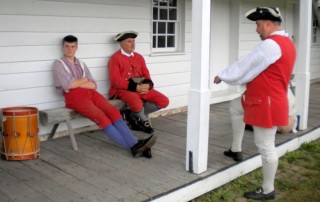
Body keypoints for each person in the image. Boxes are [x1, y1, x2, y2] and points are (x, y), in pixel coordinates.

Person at [213, 7, 296, 200]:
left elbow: (247, 64)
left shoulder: (271, 45)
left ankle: (268, 189)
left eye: (258, 25)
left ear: (268, 24)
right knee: (235, 107)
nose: (257, 29)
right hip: (257, 97)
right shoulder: (286, 42)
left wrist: (223, 75)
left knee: (265, 146)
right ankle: (236, 149)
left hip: (265, 102)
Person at [52, 35, 156, 158]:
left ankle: (136, 146)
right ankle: (135, 145)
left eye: (72, 46)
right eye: (67, 46)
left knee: (113, 111)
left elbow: (93, 85)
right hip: (74, 98)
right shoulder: (59, 64)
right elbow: (69, 85)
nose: (70, 49)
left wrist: (78, 83)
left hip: (91, 93)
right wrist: (84, 80)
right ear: (63, 47)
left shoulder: (81, 63)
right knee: (101, 117)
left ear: (76, 47)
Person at [108, 31, 169, 134]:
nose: (133, 44)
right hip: (123, 90)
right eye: (129, 41)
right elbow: (115, 81)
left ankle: (132, 115)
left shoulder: (139, 57)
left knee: (164, 101)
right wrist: (135, 87)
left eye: (133, 41)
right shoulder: (115, 58)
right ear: (122, 44)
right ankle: (144, 123)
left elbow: (146, 73)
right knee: (136, 103)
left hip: (141, 87)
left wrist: (148, 85)